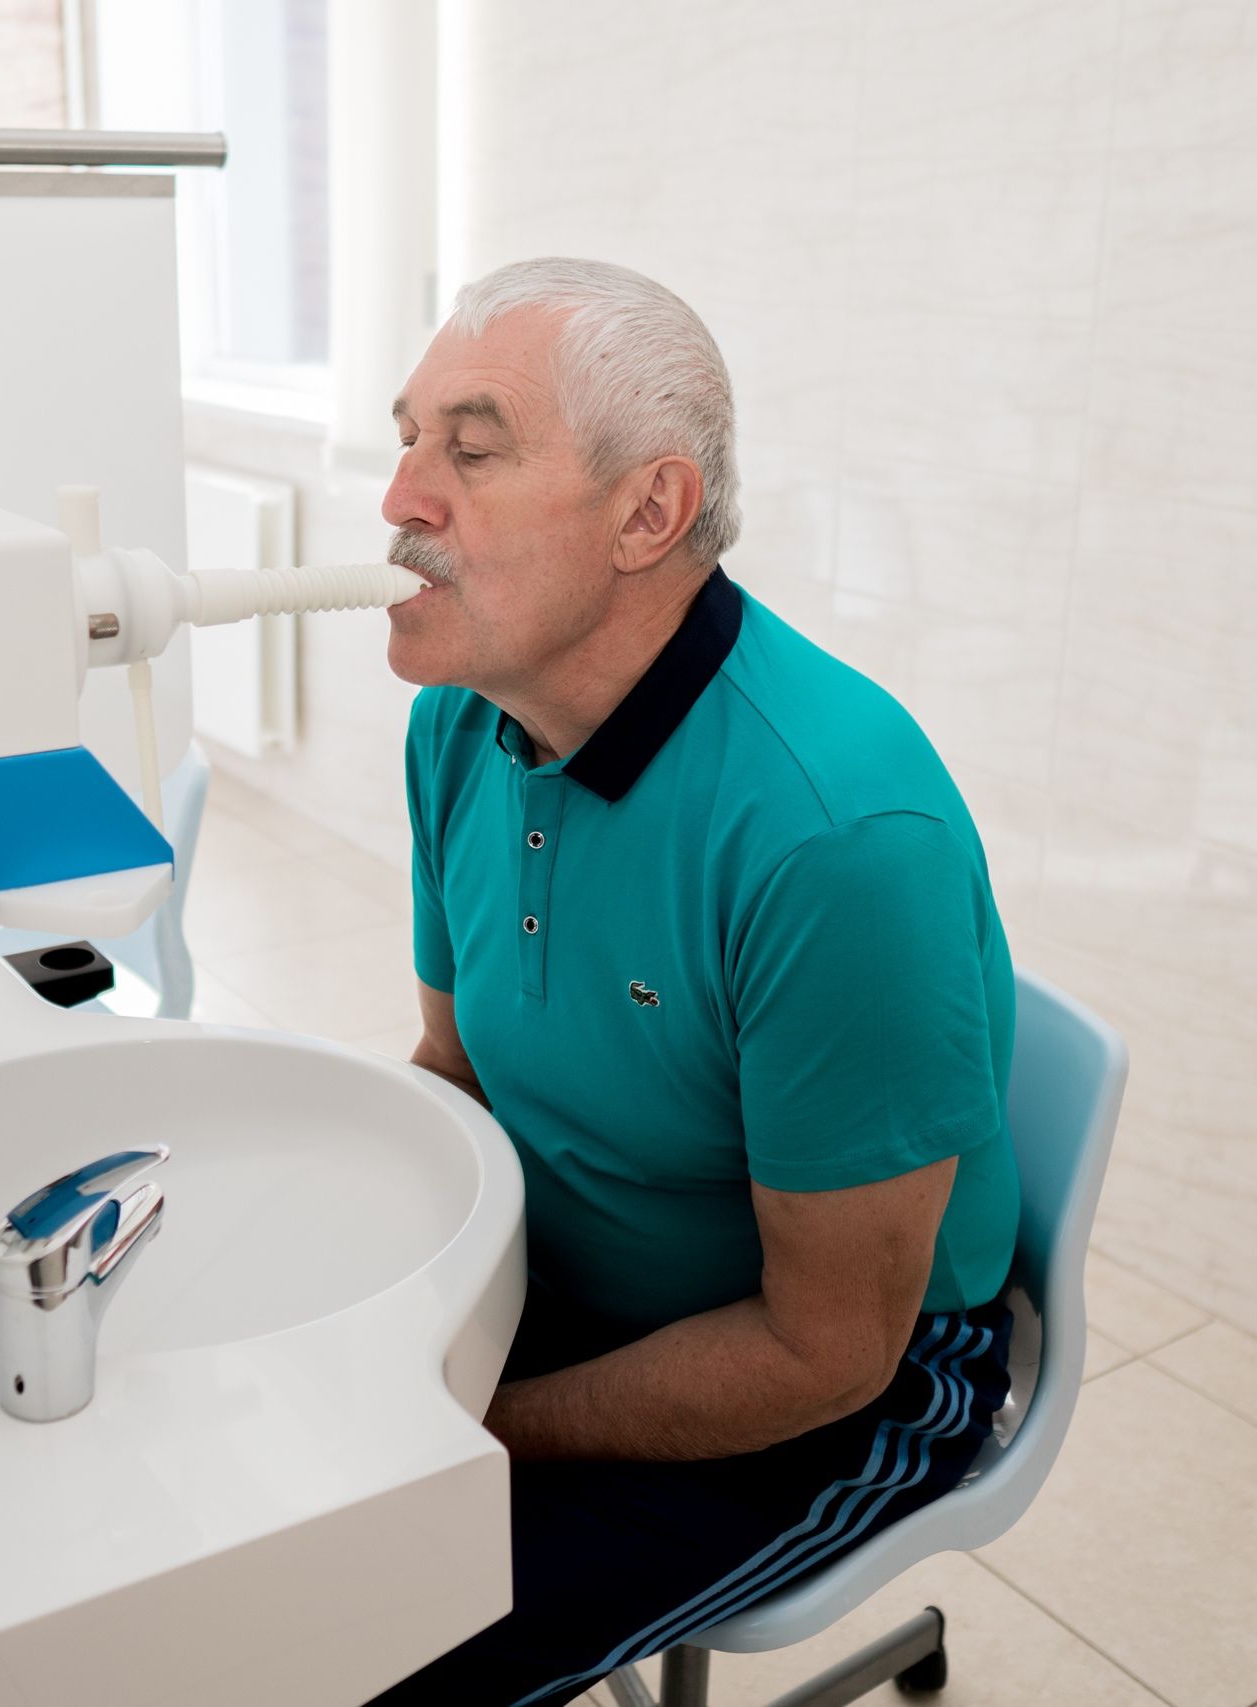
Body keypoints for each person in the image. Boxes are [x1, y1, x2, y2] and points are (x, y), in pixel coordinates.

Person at [369, 258, 1021, 1707]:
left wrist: (478, 1423)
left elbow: (827, 1351)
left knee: (370, 1650)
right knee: (243, 1542)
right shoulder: (462, 722)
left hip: (843, 1384)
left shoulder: (836, 844)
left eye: (472, 451)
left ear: (648, 513)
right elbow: (457, 1071)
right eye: (406, 440)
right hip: (563, 1268)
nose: (402, 497)